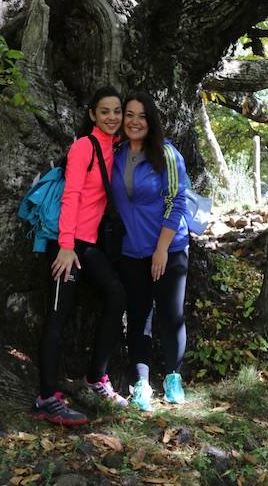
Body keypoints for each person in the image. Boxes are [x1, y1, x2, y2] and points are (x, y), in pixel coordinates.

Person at [31, 87, 129, 426]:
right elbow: (71, 196)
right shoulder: (84, 146)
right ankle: (46, 398)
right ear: (92, 114)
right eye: (105, 111)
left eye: (117, 111)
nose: (112, 117)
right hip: (69, 246)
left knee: (117, 296)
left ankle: (95, 378)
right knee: (58, 316)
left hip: (90, 246)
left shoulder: (116, 148)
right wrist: (66, 244)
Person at [112, 92, 190, 412]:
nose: (134, 121)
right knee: (139, 317)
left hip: (169, 249)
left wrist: (161, 250)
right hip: (132, 251)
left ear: (151, 120)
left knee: (171, 316)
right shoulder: (115, 155)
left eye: (141, 116)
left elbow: (177, 203)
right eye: (129, 115)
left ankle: (173, 377)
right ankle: (141, 383)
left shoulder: (166, 154)